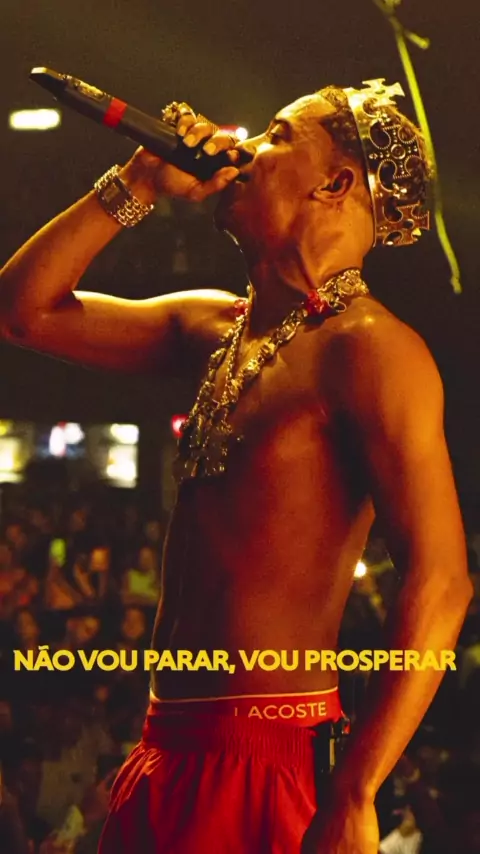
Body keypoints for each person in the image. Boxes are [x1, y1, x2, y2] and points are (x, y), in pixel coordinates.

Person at [0, 78, 472, 854]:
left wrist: (357, 790)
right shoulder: (215, 327)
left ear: (335, 183)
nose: (244, 146)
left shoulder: (371, 350)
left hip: (267, 765)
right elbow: (23, 312)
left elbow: (443, 579)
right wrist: (138, 183)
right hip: (164, 747)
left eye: (278, 135)